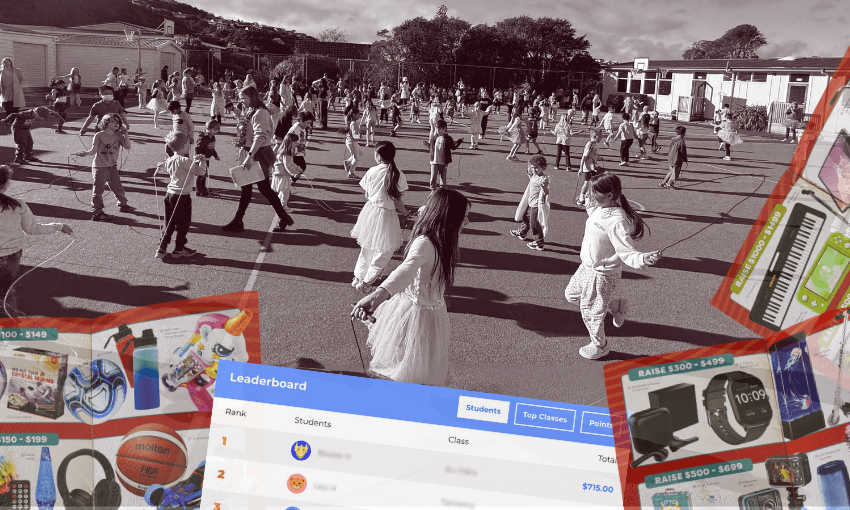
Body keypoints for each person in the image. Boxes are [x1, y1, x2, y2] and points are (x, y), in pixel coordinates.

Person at [351, 187, 471, 386]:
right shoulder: (425, 242)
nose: (467, 221)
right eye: (464, 216)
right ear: (448, 217)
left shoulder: (444, 239)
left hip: (433, 311)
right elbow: (405, 271)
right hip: (416, 313)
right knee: (409, 364)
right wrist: (377, 296)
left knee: (425, 360)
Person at [566, 172, 661, 359]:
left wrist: (642, 259)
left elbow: (626, 251)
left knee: (591, 312)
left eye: (595, 192)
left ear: (610, 195)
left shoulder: (617, 221)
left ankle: (600, 345)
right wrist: (586, 198)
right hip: (587, 267)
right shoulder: (600, 208)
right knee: (571, 295)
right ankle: (615, 305)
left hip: (602, 274)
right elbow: (593, 212)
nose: (591, 195)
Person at [0, 165, 73, 317]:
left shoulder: (17, 204)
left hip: (11, 253)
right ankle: (10, 320)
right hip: (12, 254)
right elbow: (32, 228)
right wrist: (58, 226)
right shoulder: (17, 205)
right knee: (6, 288)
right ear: (6, 184)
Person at [221, 86, 295, 233]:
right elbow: (244, 122)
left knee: (261, 188)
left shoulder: (260, 112)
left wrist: (249, 156)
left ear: (252, 97)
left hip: (257, 154)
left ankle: (282, 217)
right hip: (252, 152)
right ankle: (240, 220)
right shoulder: (251, 110)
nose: (241, 101)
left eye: (243, 98)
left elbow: (260, 136)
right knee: (252, 188)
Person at [350, 141, 409, 292]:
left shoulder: (372, 171)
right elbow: (397, 201)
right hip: (387, 214)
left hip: (370, 211)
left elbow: (367, 194)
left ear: (378, 156)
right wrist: (406, 213)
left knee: (367, 245)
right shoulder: (398, 174)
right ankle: (368, 279)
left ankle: (358, 276)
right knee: (384, 250)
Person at [73, 113, 134, 221]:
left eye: (118, 122)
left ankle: (123, 205)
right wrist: (85, 153)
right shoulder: (99, 135)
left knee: (117, 187)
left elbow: (127, 146)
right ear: (105, 123)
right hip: (100, 167)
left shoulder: (119, 135)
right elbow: (93, 150)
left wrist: (126, 133)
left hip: (112, 166)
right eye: (112, 121)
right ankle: (97, 212)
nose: (116, 124)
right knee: (98, 190)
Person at [155, 131, 206, 259]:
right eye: (189, 144)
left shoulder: (170, 159)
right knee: (183, 223)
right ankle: (179, 248)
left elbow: (165, 167)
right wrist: (202, 161)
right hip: (182, 196)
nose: (190, 146)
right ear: (184, 146)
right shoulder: (186, 161)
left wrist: (161, 165)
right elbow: (201, 172)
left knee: (169, 222)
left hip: (169, 194)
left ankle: (162, 247)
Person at [511, 155, 550, 251]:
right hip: (530, 203)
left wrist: (544, 188)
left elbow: (546, 192)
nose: (534, 169)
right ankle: (522, 232)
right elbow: (530, 175)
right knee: (526, 218)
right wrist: (530, 168)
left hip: (536, 205)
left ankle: (539, 243)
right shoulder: (534, 176)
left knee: (534, 224)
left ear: (542, 167)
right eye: (532, 167)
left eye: (536, 167)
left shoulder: (543, 179)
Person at [427, 119, 462, 190]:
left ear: (444, 129)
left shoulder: (448, 139)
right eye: (436, 129)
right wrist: (426, 144)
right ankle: (432, 190)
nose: (438, 131)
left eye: (439, 129)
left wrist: (459, 141)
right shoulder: (434, 137)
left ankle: (442, 191)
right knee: (433, 177)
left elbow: (453, 147)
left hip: (443, 162)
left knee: (443, 178)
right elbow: (431, 147)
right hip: (434, 161)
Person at [272, 132, 302, 215]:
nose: (297, 144)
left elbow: (291, 164)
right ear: (290, 142)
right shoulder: (286, 154)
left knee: (283, 191)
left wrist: (297, 168)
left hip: (280, 174)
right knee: (285, 192)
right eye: (295, 142)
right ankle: (283, 206)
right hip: (282, 175)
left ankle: (277, 204)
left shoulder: (285, 152)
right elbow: (288, 166)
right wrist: (295, 173)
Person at [195, 119, 220, 197]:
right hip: (202, 159)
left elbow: (211, 147)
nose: (216, 132)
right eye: (214, 130)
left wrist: (215, 155)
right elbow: (197, 149)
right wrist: (197, 158)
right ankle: (198, 190)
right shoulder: (203, 138)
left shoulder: (212, 137)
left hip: (207, 159)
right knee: (201, 175)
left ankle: (203, 188)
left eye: (217, 130)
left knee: (204, 175)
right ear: (208, 129)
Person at [576, 128, 601, 205]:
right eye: (600, 136)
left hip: (593, 166)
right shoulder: (590, 144)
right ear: (594, 135)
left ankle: (588, 195)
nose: (601, 138)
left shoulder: (594, 143)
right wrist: (580, 169)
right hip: (588, 167)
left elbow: (593, 154)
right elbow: (584, 156)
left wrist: (598, 157)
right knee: (587, 182)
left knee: (592, 182)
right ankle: (581, 197)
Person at [341, 104, 361, 178]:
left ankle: (348, 162)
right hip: (352, 142)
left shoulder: (352, 122)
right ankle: (351, 172)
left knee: (358, 154)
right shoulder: (354, 123)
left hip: (351, 141)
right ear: (354, 115)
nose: (359, 115)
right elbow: (353, 133)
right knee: (356, 158)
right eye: (358, 114)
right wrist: (357, 136)